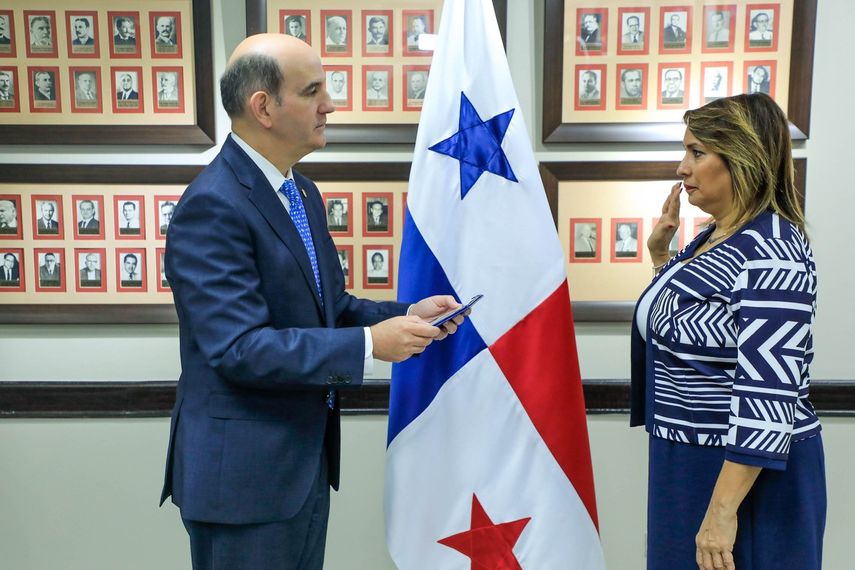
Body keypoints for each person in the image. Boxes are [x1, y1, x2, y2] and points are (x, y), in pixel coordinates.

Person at [158, 33, 465, 570]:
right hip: (244, 485)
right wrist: (370, 345)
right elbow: (238, 348)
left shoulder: (300, 191)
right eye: (312, 91)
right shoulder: (213, 205)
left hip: (299, 468)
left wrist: (405, 315)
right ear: (263, 107)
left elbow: (330, 308)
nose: (330, 104)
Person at [634, 93, 825, 570]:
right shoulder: (713, 237)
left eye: (697, 152)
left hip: (745, 473)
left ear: (742, 159)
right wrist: (661, 259)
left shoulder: (772, 248)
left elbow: (770, 387)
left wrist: (722, 512)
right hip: (689, 459)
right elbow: (686, 325)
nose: (682, 168)